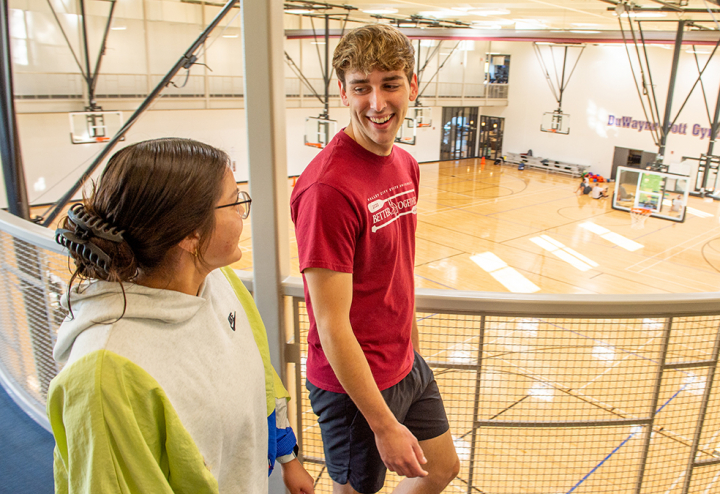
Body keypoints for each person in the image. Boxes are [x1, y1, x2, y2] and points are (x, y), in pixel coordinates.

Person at [47, 138, 314, 494]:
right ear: (190, 233)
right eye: (234, 202)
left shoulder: (220, 281)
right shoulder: (104, 374)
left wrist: (286, 455)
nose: (241, 214)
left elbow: (259, 375)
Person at [290, 24, 460, 494]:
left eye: (390, 84)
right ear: (343, 91)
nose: (378, 103)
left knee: (442, 467)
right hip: (352, 388)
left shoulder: (404, 164)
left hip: (405, 363)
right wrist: (383, 425)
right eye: (362, 87)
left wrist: (413, 348)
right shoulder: (328, 189)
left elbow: (395, 271)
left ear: (412, 86)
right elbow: (331, 322)